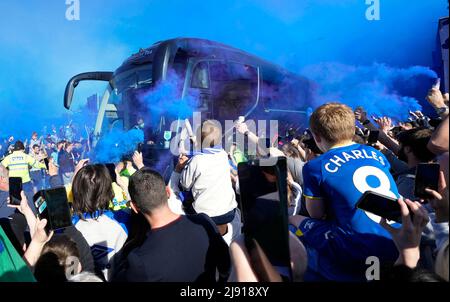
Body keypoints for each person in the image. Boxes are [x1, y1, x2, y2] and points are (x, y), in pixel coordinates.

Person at [289, 102, 399, 281]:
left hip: (357, 248)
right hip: (395, 240)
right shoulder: (376, 154)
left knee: (293, 220)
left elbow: (316, 214)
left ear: (317, 137)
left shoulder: (316, 166)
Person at [113, 168, 230, 282]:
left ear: (134, 207)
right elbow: (226, 267)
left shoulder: (138, 261)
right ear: (168, 192)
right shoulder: (204, 223)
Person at [171, 120, 240, 244]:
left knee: (182, 200)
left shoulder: (197, 160)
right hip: (229, 211)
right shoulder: (223, 154)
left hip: (206, 215)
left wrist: (182, 167)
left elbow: (185, 184)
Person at [71, 164, 128, 281]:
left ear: (77, 191)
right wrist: (123, 185)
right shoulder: (123, 218)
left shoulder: (71, 227)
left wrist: (75, 178)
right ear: (108, 189)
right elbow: (138, 205)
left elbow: (70, 274)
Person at [1, 141, 46, 211]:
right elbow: (37, 164)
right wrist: (46, 166)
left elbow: (1, 167)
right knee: (29, 202)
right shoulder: (26, 156)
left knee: (15, 203)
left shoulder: (8, 158)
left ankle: (17, 216)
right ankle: (30, 214)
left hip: (14, 184)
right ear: (22, 149)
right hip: (26, 183)